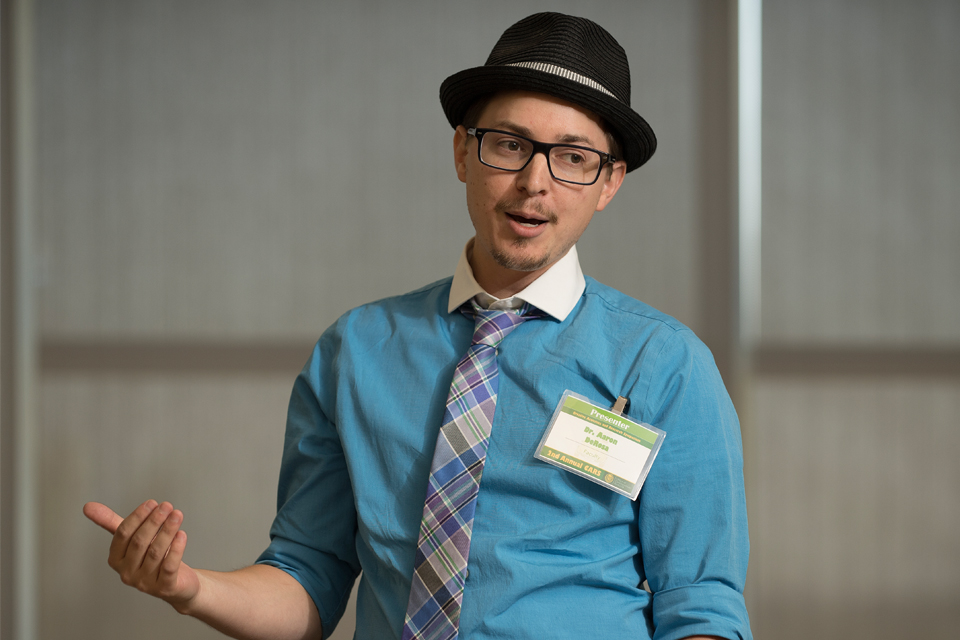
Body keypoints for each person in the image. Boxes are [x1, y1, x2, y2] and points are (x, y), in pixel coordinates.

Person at [84, 12, 751, 640]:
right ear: (463, 152)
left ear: (609, 184)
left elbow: (701, 606)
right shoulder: (356, 350)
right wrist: (188, 587)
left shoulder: (663, 364)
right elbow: (307, 578)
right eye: (509, 145)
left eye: (573, 157)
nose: (533, 182)